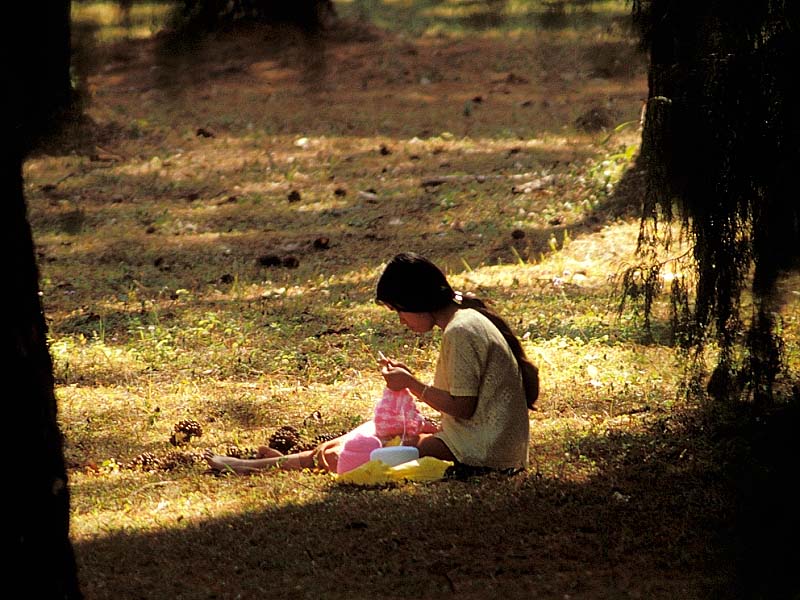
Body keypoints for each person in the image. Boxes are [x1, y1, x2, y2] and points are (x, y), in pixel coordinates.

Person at [205, 251, 538, 475]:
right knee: (376, 433)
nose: (401, 320)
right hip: (482, 443)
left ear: (416, 301)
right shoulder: (466, 320)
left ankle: (262, 466)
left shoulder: (461, 331)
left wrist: (411, 384)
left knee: (361, 451)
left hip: (482, 455)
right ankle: (286, 462)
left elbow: (463, 408)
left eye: (399, 310)